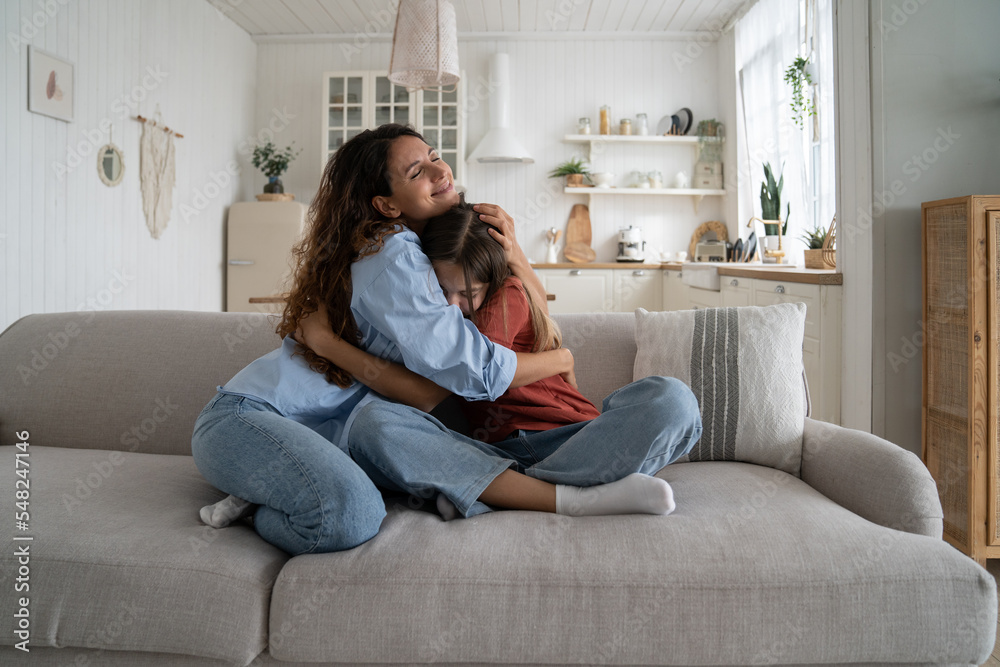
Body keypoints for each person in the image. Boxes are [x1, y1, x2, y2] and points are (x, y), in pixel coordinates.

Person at [191, 124, 668, 555]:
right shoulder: (395, 253)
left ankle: (269, 493)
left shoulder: (423, 253)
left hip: (334, 438)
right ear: (387, 204)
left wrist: (517, 254)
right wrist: (561, 356)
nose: (440, 170)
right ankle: (564, 499)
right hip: (252, 416)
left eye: (435, 155)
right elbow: (475, 372)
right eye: (417, 170)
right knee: (349, 517)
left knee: (367, 483)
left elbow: (429, 392)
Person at [296, 198, 703, 521]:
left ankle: (502, 491)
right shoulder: (442, 313)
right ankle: (552, 492)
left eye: (467, 293)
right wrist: (561, 358)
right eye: (443, 291)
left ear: (489, 279)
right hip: (490, 453)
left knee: (673, 400)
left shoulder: (502, 296)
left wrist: (328, 345)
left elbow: (482, 375)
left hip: (569, 439)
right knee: (372, 425)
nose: (454, 307)